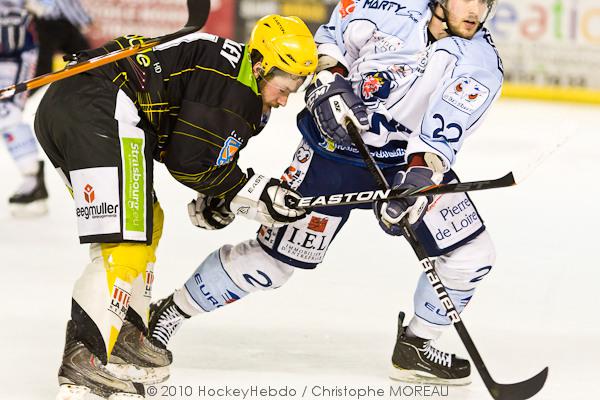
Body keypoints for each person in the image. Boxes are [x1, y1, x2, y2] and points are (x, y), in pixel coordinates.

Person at [125, 0, 503, 387]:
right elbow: (336, 35)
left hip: (404, 167)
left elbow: (446, 128)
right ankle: (170, 313)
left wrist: (420, 177)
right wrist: (331, 77)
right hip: (331, 154)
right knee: (272, 263)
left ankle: (417, 345)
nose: (474, 10)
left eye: (484, 2)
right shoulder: (388, 4)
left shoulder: (481, 62)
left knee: (472, 254)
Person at [33, 14, 317, 399]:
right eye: (283, 88)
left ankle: (123, 335)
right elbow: (191, 161)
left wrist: (223, 194)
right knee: (129, 238)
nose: (284, 101)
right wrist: (251, 193)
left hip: (75, 103)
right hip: (98, 108)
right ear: (263, 65)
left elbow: (197, 151)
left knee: (147, 220)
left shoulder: (234, 73)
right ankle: (85, 358)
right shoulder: (236, 91)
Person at [0, 0, 48, 216]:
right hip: (8, 56)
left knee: (8, 116)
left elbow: (46, 9)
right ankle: (33, 181)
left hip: (18, 58)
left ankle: (33, 181)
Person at [30, 0, 92, 80]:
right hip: (49, 22)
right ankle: (40, 88)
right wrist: (86, 21)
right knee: (43, 62)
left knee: (83, 55)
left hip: (56, 23)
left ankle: (85, 79)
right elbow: (67, 5)